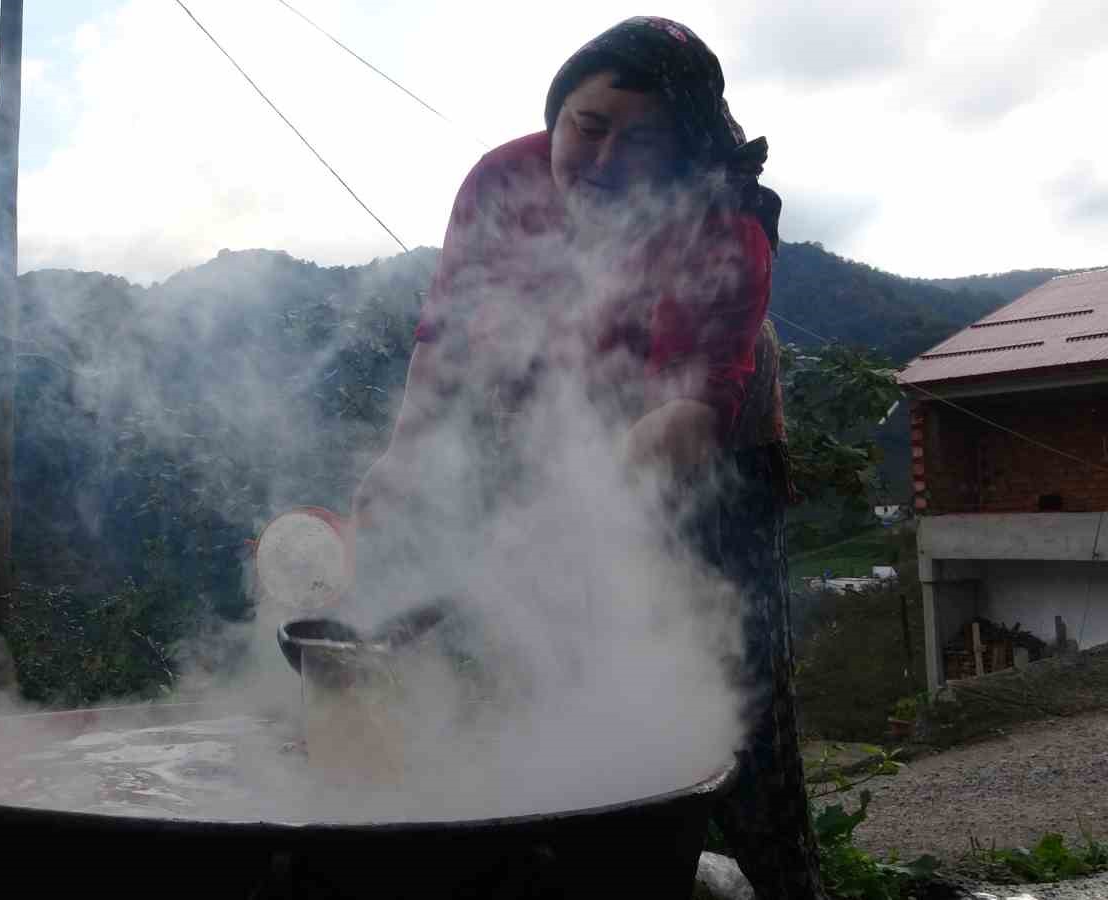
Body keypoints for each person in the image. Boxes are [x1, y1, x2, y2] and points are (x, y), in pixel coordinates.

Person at [348, 16, 827, 900]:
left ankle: (783, 882)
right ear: (556, 113)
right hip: (560, 441)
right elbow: (447, 334)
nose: (601, 161)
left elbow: (681, 418)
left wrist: (563, 532)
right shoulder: (504, 180)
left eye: (638, 140)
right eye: (587, 127)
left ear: (680, 149)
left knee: (738, 712)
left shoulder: (722, 222)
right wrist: (402, 457)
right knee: (553, 674)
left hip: (710, 461)